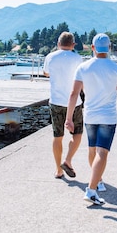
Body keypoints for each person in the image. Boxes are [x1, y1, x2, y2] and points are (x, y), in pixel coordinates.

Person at [65, 33, 117, 206]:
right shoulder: (116, 68)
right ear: (109, 48)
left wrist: (69, 118)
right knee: (102, 152)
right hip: (108, 117)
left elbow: (73, 94)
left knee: (92, 149)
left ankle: (99, 180)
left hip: (90, 115)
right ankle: (91, 189)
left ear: (92, 48)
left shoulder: (83, 67)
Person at [43, 32, 84, 179]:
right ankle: (68, 160)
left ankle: (58, 170)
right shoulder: (77, 58)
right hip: (76, 103)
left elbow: (46, 73)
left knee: (57, 136)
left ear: (58, 43)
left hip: (56, 102)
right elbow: (82, 79)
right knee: (77, 134)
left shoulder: (50, 57)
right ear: (73, 44)